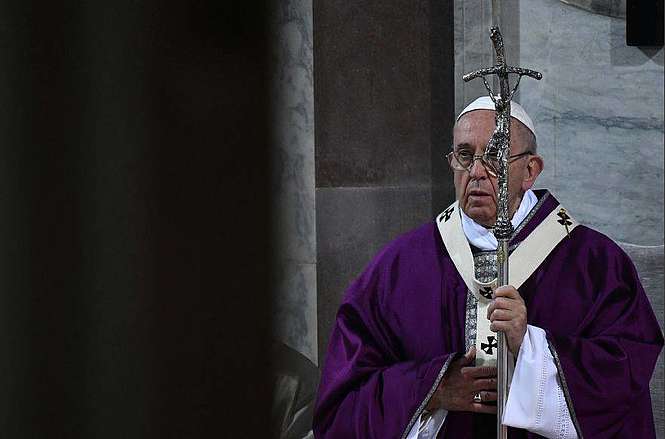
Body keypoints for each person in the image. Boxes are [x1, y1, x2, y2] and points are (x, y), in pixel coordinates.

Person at [312, 96, 664, 438]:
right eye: (465, 156)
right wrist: (432, 390)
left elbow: (624, 374)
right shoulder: (399, 267)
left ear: (530, 170)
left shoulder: (594, 263)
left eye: (494, 155)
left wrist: (530, 347)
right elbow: (345, 397)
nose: (477, 172)